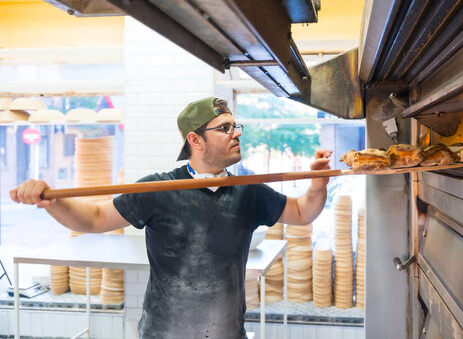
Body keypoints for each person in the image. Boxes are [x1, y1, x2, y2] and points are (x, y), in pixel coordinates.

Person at [10, 97, 332, 339]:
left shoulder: (247, 191)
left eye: (236, 126)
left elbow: (303, 212)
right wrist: (50, 200)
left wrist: (318, 183)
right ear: (195, 140)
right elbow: (93, 218)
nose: (236, 134)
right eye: (224, 128)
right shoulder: (159, 189)